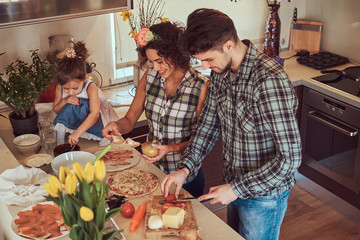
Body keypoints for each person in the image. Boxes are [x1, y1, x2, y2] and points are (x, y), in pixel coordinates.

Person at [160, 8, 302, 240]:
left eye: (208, 59)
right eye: (200, 60)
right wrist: (184, 169)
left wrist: (237, 189)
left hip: (264, 196)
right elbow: (208, 126)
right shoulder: (221, 72)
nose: (204, 67)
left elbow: (291, 159)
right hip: (233, 184)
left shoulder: (268, 80)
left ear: (228, 45)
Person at [102, 21, 209, 198]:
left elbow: (203, 142)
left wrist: (171, 148)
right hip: (151, 172)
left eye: (159, 61)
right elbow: (129, 120)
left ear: (177, 53)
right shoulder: (150, 76)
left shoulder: (200, 86)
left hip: (184, 178)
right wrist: (116, 126)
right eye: (151, 62)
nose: (155, 68)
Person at [53, 41, 118, 146]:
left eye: (75, 88)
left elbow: (95, 114)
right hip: (77, 115)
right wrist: (64, 101)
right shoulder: (60, 86)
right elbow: (56, 110)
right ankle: (60, 141)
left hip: (95, 116)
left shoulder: (90, 87)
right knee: (69, 106)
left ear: (84, 79)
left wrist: (77, 133)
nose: (70, 92)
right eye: (66, 88)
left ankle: (102, 137)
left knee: (103, 134)